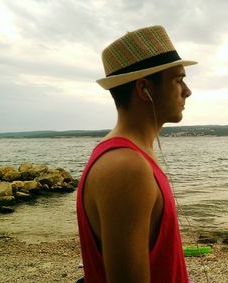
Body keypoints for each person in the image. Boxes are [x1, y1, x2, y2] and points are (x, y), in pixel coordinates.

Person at [76, 25, 197, 283]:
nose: (187, 91)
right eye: (178, 79)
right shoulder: (126, 167)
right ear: (145, 90)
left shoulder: (134, 156)